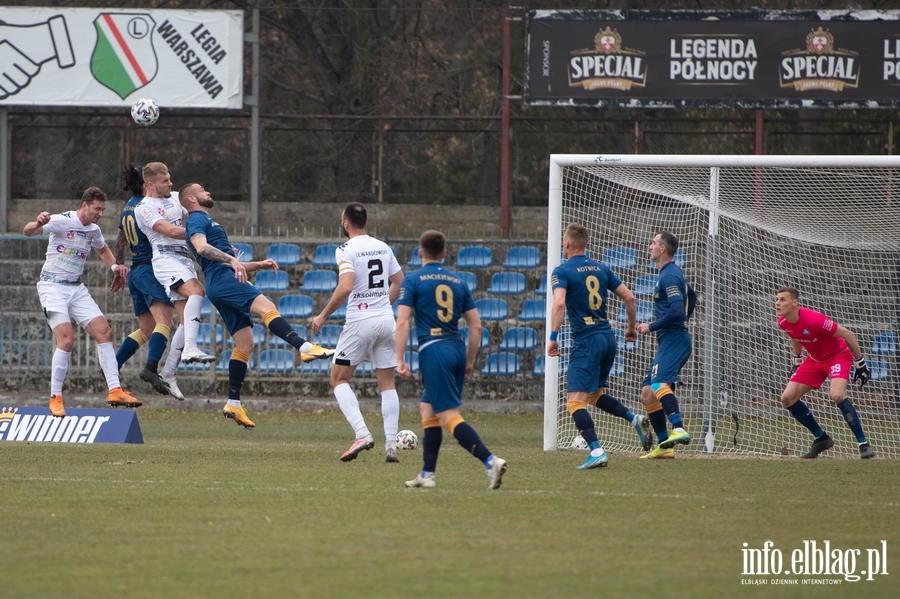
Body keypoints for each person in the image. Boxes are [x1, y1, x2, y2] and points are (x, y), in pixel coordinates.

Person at [181, 182, 334, 428]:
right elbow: (201, 247)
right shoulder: (197, 219)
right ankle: (304, 346)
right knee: (267, 306)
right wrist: (233, 259)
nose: (207, 191)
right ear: (191, 198)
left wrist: (258, 264)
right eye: (201, 189)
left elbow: (228, 262)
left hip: (219, 281)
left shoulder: (207, 220)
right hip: (222, 279)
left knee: (245, 344)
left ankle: (233, 403)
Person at [396, 230, 508, 490]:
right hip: (456, 348)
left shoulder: (412, 281)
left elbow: (402, 321)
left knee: (448, 415)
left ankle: (490, 461)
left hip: (433, 350)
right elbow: (476, 327)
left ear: (420, 252)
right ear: (445, 253)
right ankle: (427, 474)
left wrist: (399, 358)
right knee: (428, 408)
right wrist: (469, 361)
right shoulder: (459, 282)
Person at [23, 186, 142, 416]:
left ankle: (115, 390)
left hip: (76, 288)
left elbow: (103, 249)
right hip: (52, 287)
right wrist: (37, 223)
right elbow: (27, 231)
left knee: (104, 333)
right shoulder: (61, 221)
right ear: (84, 205)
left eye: (103, 209)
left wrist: (114, 266)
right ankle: (56, 397)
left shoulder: (94, 230)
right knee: (66, 340)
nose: (100, 213)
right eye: (97, 208)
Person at [546, 223, 648, 469]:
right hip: (607, 338)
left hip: (587, 340)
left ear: (567, 244)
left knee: (574, 402)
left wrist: (552, 337)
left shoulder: (562, 271)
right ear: (586, 244)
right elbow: (630, 297)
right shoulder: (602, 268)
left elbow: (559, 304)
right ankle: (633, 418)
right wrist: (631, 327)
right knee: (593, 395)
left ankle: (596, 451)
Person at [310, 202, 405, 462]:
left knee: (338, 379)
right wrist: (384, 303)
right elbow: (399, 281)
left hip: (360, 320)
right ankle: (391, 445)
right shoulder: (382, 246)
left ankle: (362, 433)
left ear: (345, 223)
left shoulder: (345, 249)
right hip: (386, 319)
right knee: (387, 383)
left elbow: (346, 286)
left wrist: (323, 315)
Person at [111, 165, 185, 400]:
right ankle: (152, 369)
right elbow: (159, 238)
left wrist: (119, 269)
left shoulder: (128, 207)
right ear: (147, 184)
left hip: (135, 271)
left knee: (146, 329)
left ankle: (112, 367)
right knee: (166, 322)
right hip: (149, 269)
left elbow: (120, 240)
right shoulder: (147, 208)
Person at [775, 287, 875, 459]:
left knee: (836, 395)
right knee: (787, 398)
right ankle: (822, 438)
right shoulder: (783, 321)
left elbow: (847, 334)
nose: (777, 303)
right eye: (777, 299)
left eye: (783, 300)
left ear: (794, 303)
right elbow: (795, 334)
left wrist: (860, 363)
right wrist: (797, 359)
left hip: (838, 356)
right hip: (814, 360)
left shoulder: (815, 320)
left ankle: (863, 444)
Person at [134, 162, 215, 365]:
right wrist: (200, 236)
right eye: (165, 180)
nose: (171, 183)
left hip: (184, 259)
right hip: (165, 258)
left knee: (186, 318)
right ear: (150, 184)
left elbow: (198, 213)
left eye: (170, 178)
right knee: (197, 290)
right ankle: (190, 348)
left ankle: (169, 373)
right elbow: (169, 231)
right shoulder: (143, 208)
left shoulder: (176, 198)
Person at [638, 232, 697, 459]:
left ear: (663, 249)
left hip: (674, 338)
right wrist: (683, 318)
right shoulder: (668, 274)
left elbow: (675, 309)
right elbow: (691, 296)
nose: (649, 245)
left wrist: (651, 326)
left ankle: (679, 428)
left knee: (658, 383)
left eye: (653, 242)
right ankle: (664, 447)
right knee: (647, 394)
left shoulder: (669, 275)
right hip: (670, 339)